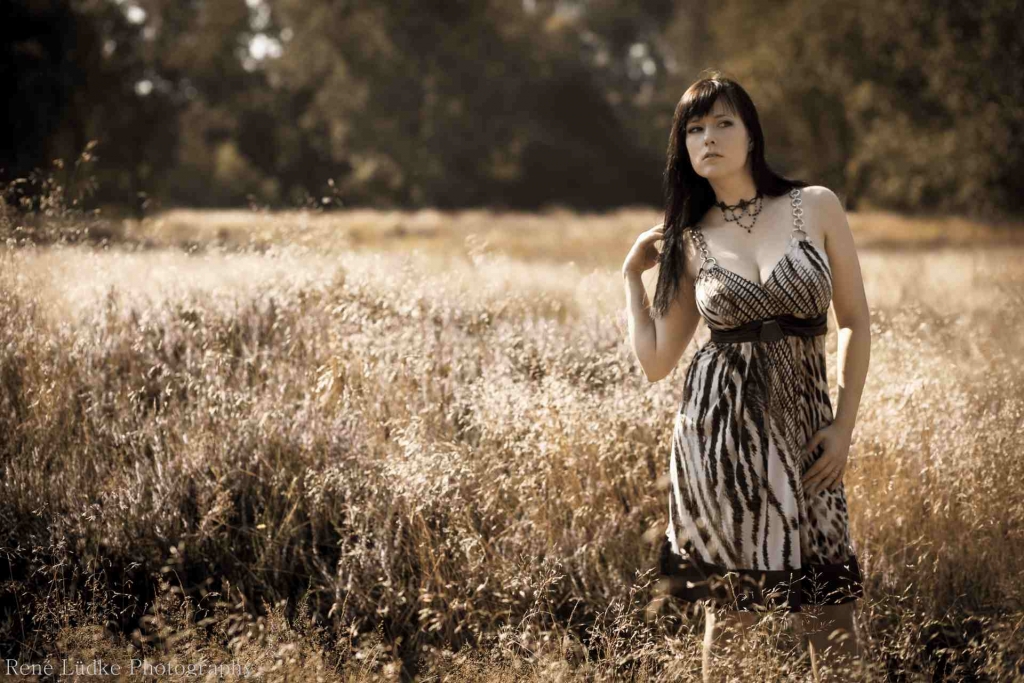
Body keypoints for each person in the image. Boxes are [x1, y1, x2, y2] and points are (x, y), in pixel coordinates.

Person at [621, 71, 871, 682]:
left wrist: (843, 426)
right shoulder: (687, 240)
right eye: (694, 129)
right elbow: (657, 363)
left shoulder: (814, 205)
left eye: (723, 122)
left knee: (831, 611)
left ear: (751, 135)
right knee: (731, 614)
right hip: (719, 437)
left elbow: (855, 321)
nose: (708, 137)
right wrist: (631, 277)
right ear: (683, 148)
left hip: (808, 427)